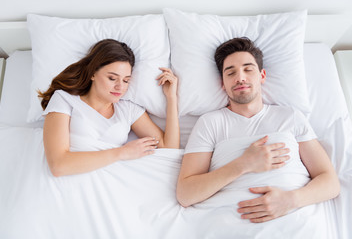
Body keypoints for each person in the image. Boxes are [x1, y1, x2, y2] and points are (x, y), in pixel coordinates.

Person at [176, 37, 340, 223]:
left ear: (262, 76)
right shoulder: (210, 123)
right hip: (229, 224)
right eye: (230, 73)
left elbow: (330, 182)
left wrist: (291, 200)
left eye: (248, 69)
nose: (240, 78)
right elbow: (186, 194)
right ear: (223, 83)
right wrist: (243, 164)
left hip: (294, 222)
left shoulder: (290, 117)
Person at [39, 39, 180, 177]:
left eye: (126, 80)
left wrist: (171, 98)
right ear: (93, 73)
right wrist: (122, 152)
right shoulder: (64, 100)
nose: (120, 87)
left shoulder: (128, 110)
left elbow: (169, 148)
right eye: (112, 78)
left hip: (108, 183)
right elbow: (58, 166)